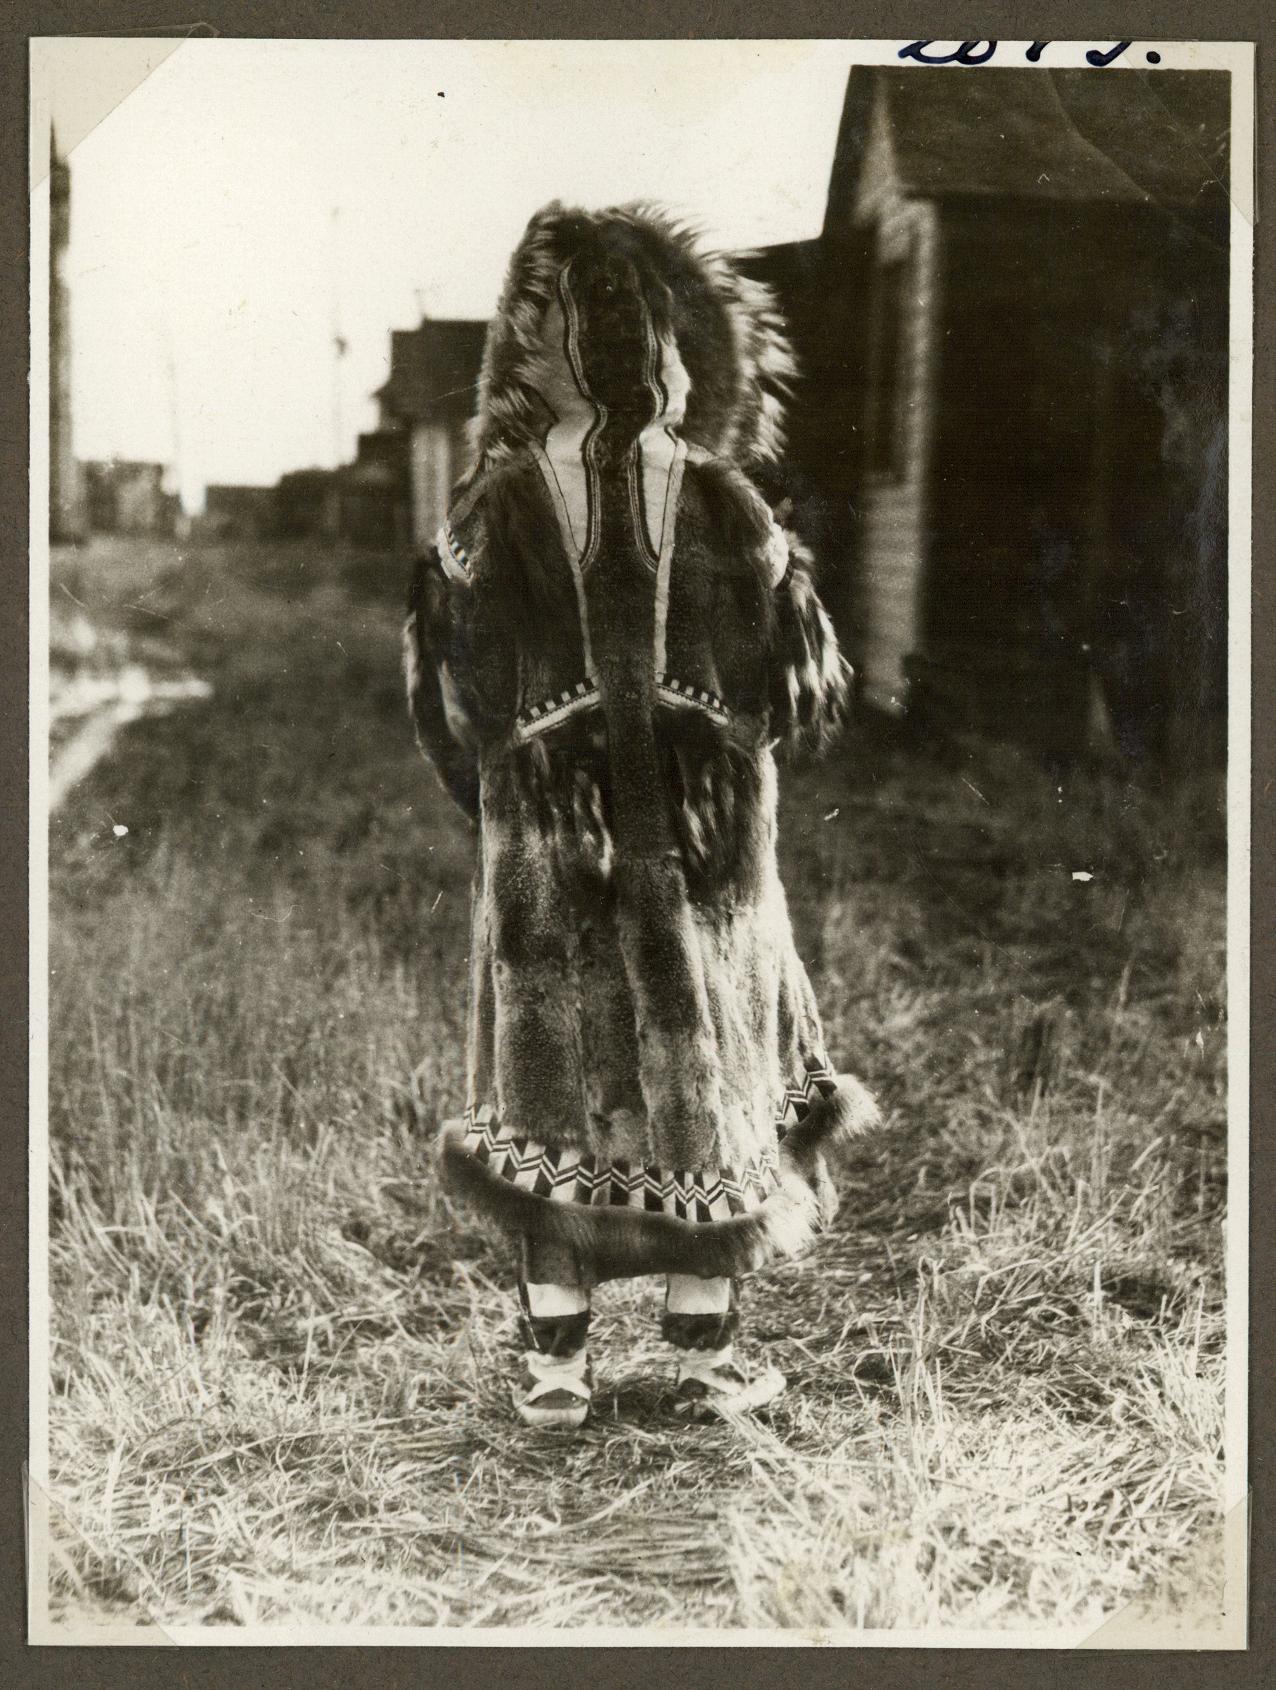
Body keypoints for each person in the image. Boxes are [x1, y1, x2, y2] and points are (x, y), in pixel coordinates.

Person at [405, 201, 878, 1428]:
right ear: (681, 350)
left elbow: (446, 698)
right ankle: (703, 1352)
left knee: (549, 1081)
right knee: (705, 1065)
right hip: (706, 841)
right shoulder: (730, 503)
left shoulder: (492, 508)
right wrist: (720, 765)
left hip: (543, 836)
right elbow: (805, 689)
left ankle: (557, 1369)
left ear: (531, 351)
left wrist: (509, 793)